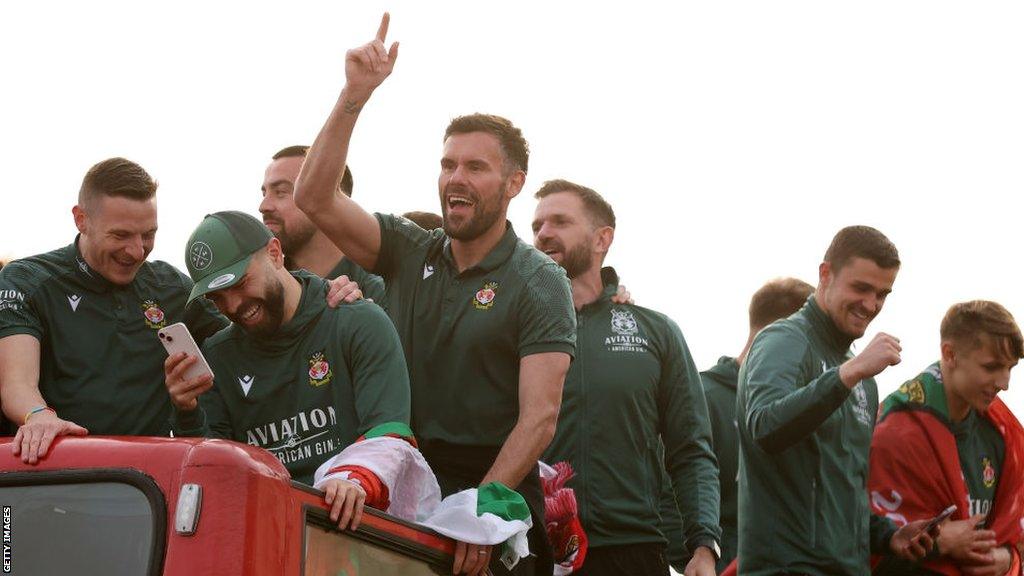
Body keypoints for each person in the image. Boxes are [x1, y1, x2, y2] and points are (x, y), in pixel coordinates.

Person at [293, 15, 576, 576]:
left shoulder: (539, 278)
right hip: (405, 484)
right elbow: (314, 195)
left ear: (514, 183)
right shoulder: (409, 249)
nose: (455, 178)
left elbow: (539, 418)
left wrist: (483, 507)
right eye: (448, 164)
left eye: (476, 167)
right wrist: (354, 96)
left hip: (492, 498)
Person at [165, 211, 412, 528]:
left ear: (275, 253)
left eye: (241, 283)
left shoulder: (357, 322)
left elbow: (390, 435)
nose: (233, 305)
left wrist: (353, 480)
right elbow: (212, 475)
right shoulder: (218, 355)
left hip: (359, 532)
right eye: (216, 298)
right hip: (266, 533)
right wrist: (187, 411)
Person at [532, 179, 720, 576]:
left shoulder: (655, 330)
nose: (544, 233)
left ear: (602, 239)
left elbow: (691, 449)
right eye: (537, 226)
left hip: (631, 550)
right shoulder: (515, 328)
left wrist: (704, 544)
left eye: (560, 221)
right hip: (534, 547)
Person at [0, 158, 227, 464]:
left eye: (148, 234)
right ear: (81, 219)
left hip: (148, 487)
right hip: (59, 474)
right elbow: (17, 382)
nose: (136, 251)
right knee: (8, 516)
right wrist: (39, 416)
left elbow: (241, 343)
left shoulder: (172, 286)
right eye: (120, 236)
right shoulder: (28, 281)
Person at [736, 225, 934, 575]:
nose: (871, 305)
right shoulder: (784, 340)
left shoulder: (858, 375)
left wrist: (889, 535)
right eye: (861, 288)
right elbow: (763, 426)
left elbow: (841, 492)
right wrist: (847, 374)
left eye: (882, 294)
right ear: (825, 274)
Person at [662, 277, 814, 572]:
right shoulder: (703, 398)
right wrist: (720, 564)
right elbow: (669, 506)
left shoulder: (801, 410)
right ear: (780, 334)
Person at [869, 300, 1024, 576]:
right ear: (949, 354)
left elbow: (1016, 530)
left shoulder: (1004, 433)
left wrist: (1007, 559)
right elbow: (858, 547)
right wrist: (940, 544)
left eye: (1010, 368)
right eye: (991, 367)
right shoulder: (895, 432)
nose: (1004, 383)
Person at [260, 145, 385, 301]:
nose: (263, 206)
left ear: (332, 201)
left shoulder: (381, 292)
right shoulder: (257, 291)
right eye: (264, 193)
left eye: (281, 192)